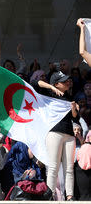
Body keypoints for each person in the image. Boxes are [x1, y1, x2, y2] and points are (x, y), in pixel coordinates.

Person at [40, 71, 80, 200]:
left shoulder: (69, 96)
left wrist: (74, 109)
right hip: (54, 132)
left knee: (69, 167)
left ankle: (69, 196)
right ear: (56, 84)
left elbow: (75, 118)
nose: (67, 82)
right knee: (53, 166)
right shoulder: (49, 93)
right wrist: (51, 87)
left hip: (69, 134)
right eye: (64, 81)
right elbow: (36, 83)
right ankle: (50, 194)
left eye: (67, 80)